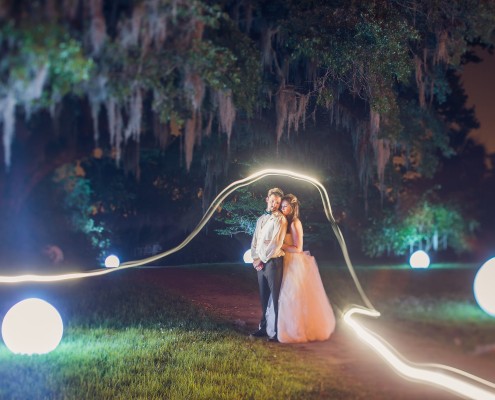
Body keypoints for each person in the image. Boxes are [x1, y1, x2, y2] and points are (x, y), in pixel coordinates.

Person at [266, 194, 336, 343]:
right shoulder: (284, 221)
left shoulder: (295, 223)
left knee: (291, 296)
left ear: (292, 208)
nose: (283, 208)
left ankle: (294, 330)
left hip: (294, 262)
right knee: (281, 295)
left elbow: (298, 248)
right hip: (284, 260)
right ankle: (280, 327)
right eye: (282, 206)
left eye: (285, 206)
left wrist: (280, 245)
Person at [250, 187, 288, 341]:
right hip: (260, 262)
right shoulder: (260, 219)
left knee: (275, 297)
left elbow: (276, 243)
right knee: (264, 296)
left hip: (273, 262)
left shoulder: (280, 219)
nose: (274, 204)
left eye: (277, 203)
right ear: (267, 199)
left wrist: (262, 259)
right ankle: (264, 327)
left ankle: (278, 332)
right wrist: (255, 258)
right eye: (272, 201)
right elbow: (255, 241)